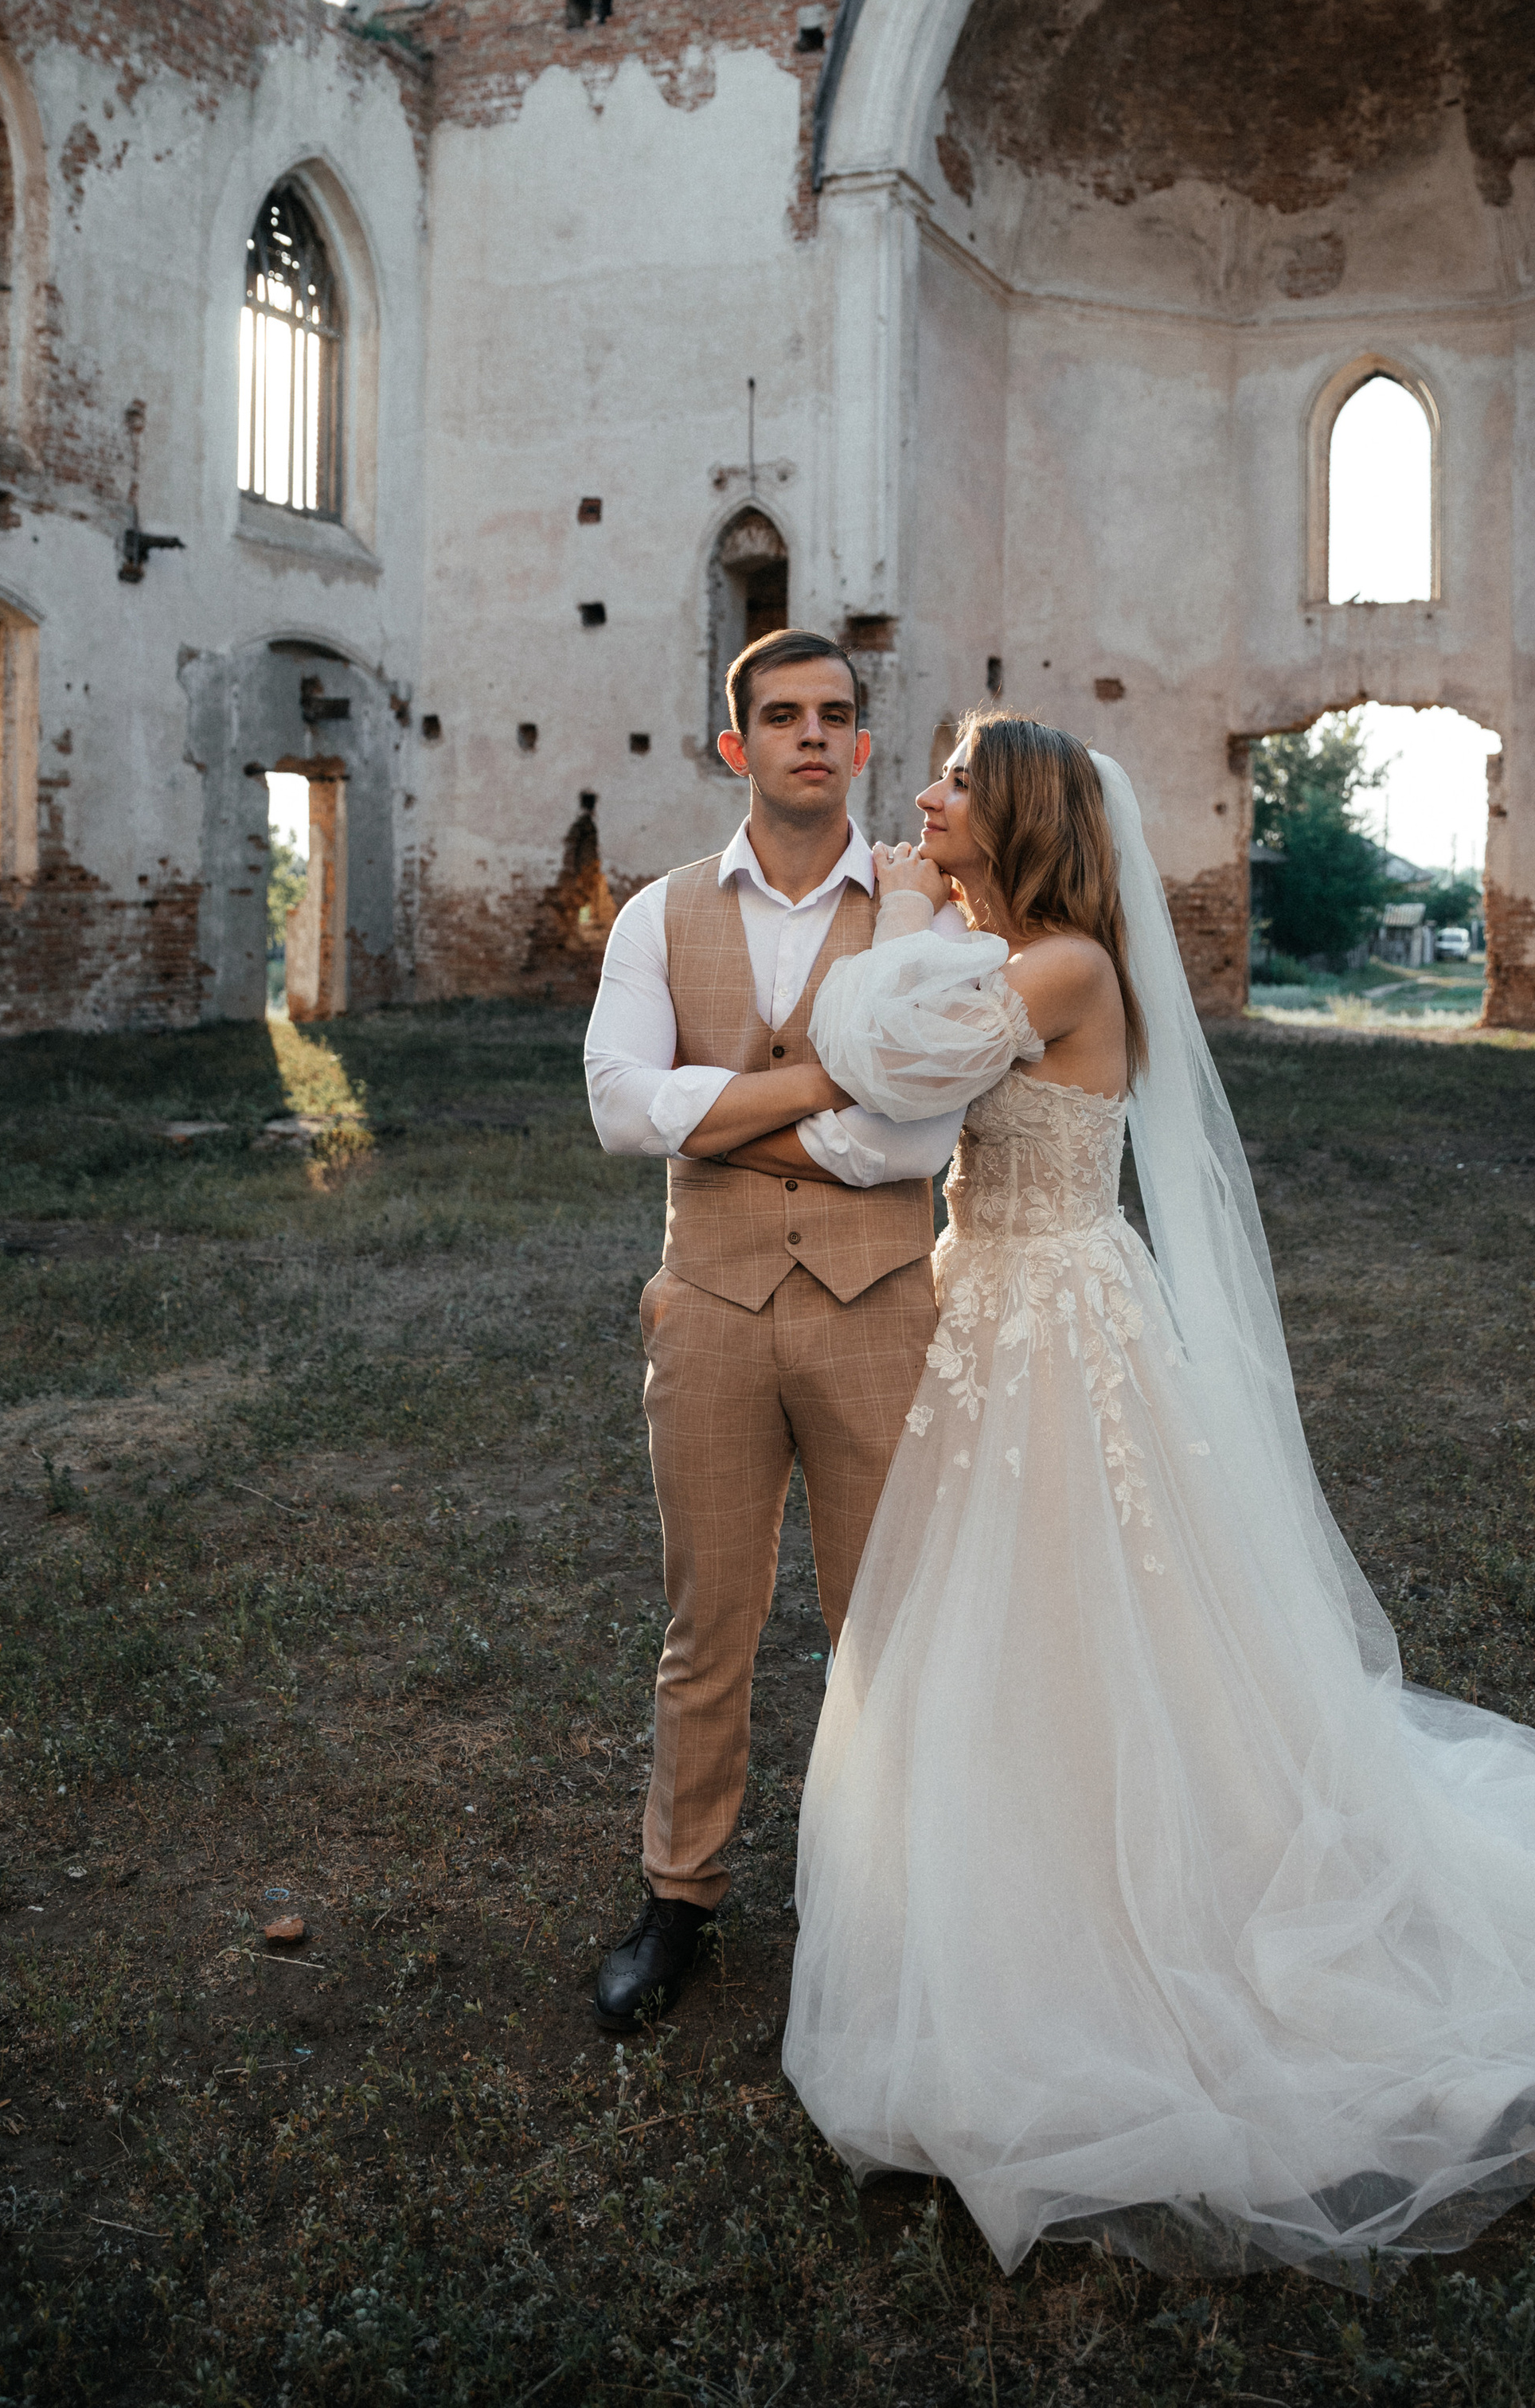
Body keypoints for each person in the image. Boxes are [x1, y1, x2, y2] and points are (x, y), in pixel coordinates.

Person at [778, 710, 1535, 2285]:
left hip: (1051, 1321)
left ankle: (1133, 1920)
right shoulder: (1019, 948)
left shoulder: (1061, 966)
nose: (919, 797)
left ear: (1018, 816)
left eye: (951, 782)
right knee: (1008, 1620)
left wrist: (907, 912)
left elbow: (877, 1050)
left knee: (1075, 1603)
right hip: (987, 1303)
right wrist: (927, 910)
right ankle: (999, 1882)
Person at [582, 628, 968, 2029]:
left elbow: (916, 1130)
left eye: (839, 717)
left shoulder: (927, 915)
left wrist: (729, 1108)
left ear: (863, 748)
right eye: (783, 716)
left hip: (882, 1310)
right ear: (736, 745)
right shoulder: (659, 914)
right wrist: (820, 1086)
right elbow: (621, 1108)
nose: (815, 735)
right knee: (708, 1623)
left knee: (888, 1622)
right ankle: (679, 1897)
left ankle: (889, 1900)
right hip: (711, 1317)